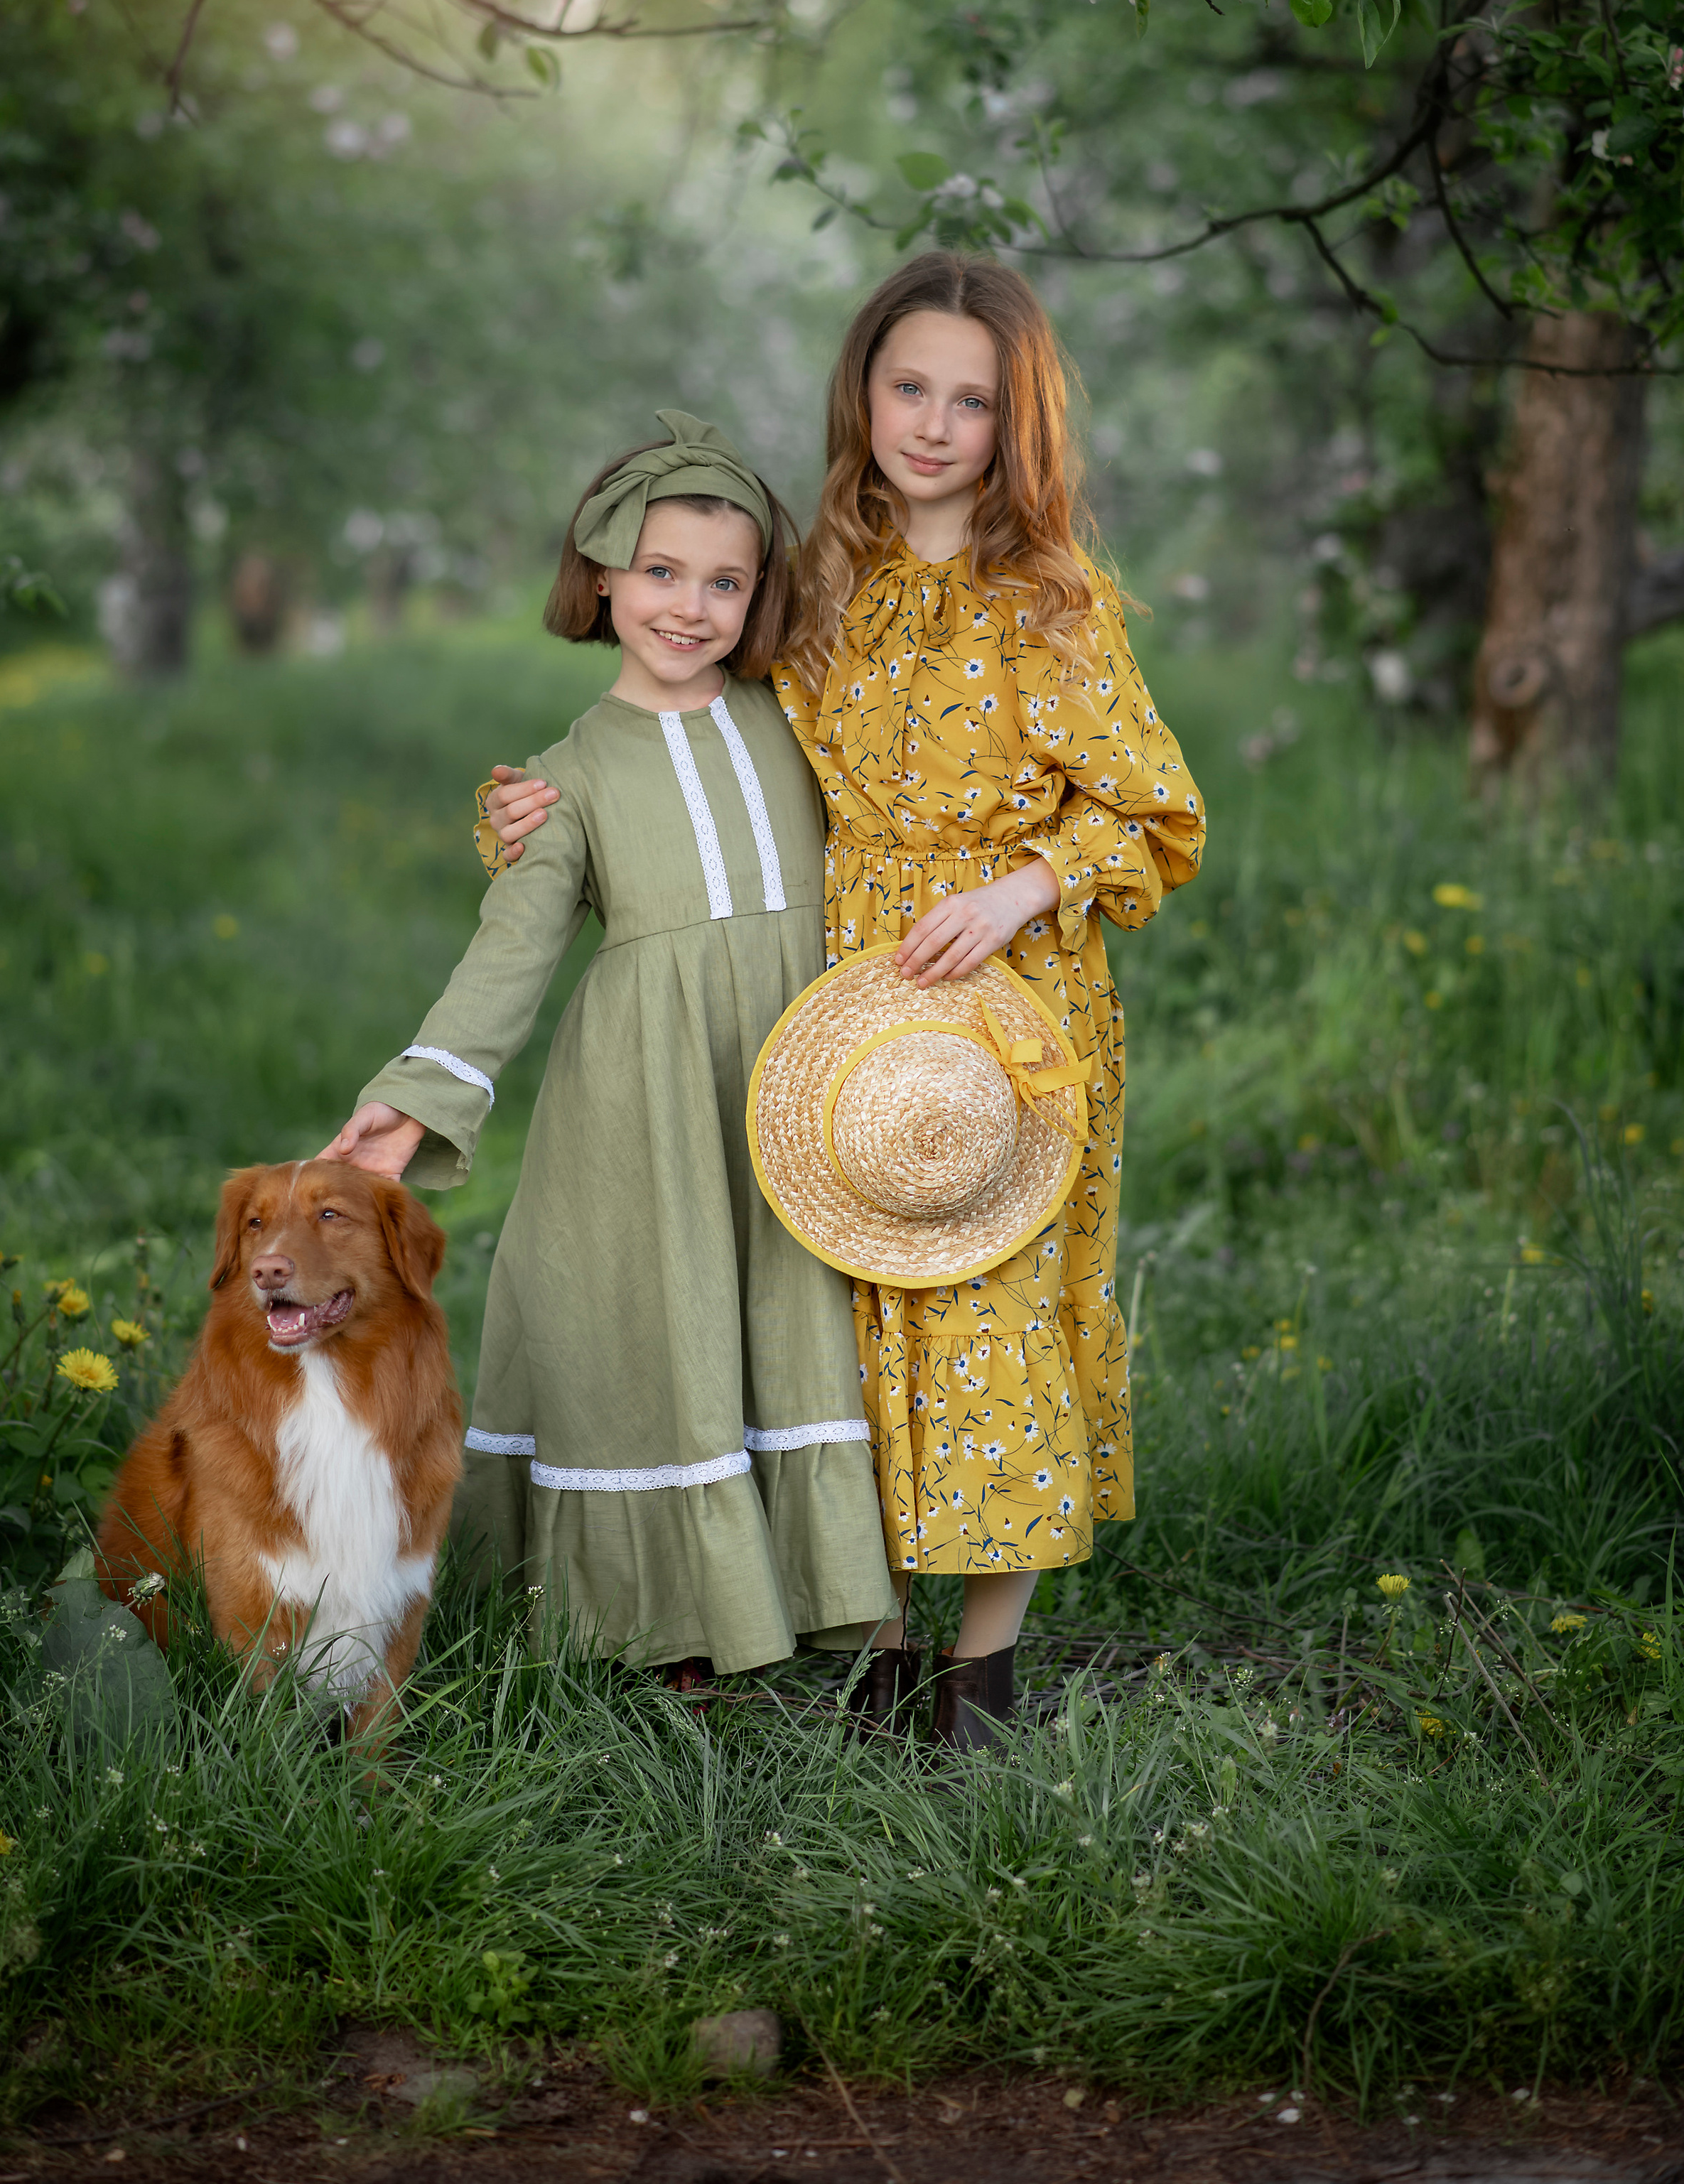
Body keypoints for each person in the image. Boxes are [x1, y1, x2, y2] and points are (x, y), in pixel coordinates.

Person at [487, 261, 1204, 1746]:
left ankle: (981, 1673)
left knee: (992, 1310)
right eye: (907, 387)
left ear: (1017, 421)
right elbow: (682, 728)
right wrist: (533, 809)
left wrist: (1017, 889)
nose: (933, 425)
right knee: (841, 1311)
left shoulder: (1049, 603)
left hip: (999, 998)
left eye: (969, 398)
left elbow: (1156, 817)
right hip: (837, 990)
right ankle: (874, 1643)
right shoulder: (809, 582)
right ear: (859, 394)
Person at [320, 412, 894, 1687]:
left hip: (803, 1073)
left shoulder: (799, 717)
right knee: (661, 1326)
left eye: (725, 582)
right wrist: (411, 1104)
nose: (690, 607)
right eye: (661, 573)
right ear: (603, 581)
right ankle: (669, 1622)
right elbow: (510, 955)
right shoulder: (562, 779)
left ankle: (834, 1595)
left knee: (796, 1317)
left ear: (761, 598)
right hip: (652, 1097)